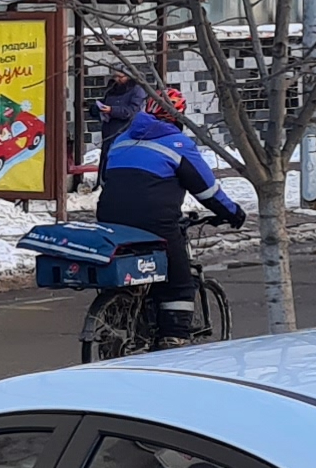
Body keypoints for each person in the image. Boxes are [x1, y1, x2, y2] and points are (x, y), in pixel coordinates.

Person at [97, 87, 246, 347]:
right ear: (179, 117)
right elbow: (206, 189)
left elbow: (106, 178)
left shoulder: (121, 140)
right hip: (155, 222)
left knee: (131, 265)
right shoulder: (178, 144)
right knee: (180, 280)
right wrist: (232, 213)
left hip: (110, 218)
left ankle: (119, 316)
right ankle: (173, 337)